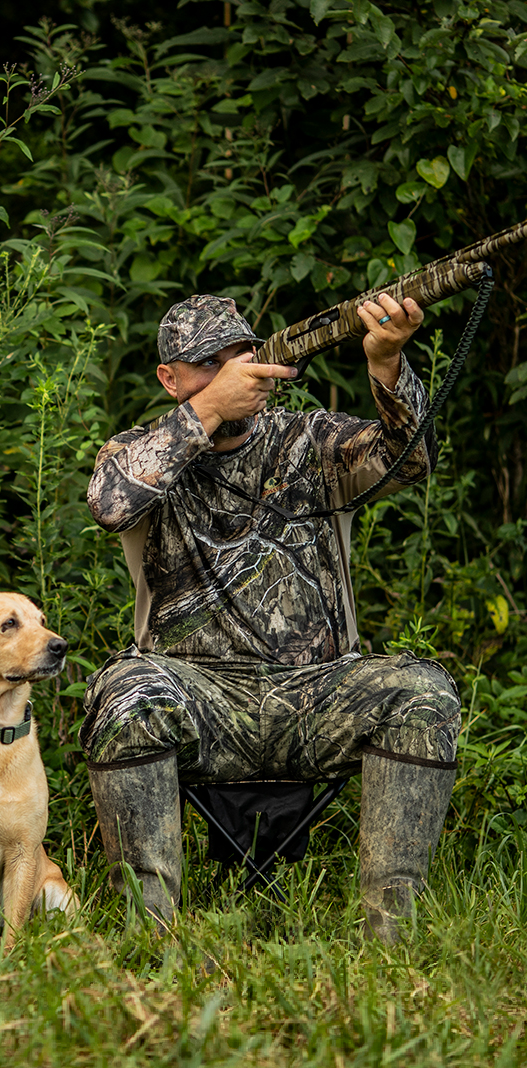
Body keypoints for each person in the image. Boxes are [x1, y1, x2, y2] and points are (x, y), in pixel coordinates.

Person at [81, 292, 460, 943]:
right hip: (195, 693)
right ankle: (149, 938)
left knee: (421, 695)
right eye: (210, 363)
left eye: (243, 356)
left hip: (319, 693)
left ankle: (392, 939)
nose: (236, 374)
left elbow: (410, 461)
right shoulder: (138, 449)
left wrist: (389, 363)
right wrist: (207, 413)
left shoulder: (310, 441)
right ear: (170, 379)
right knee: (126, 698)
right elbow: (110, 504)